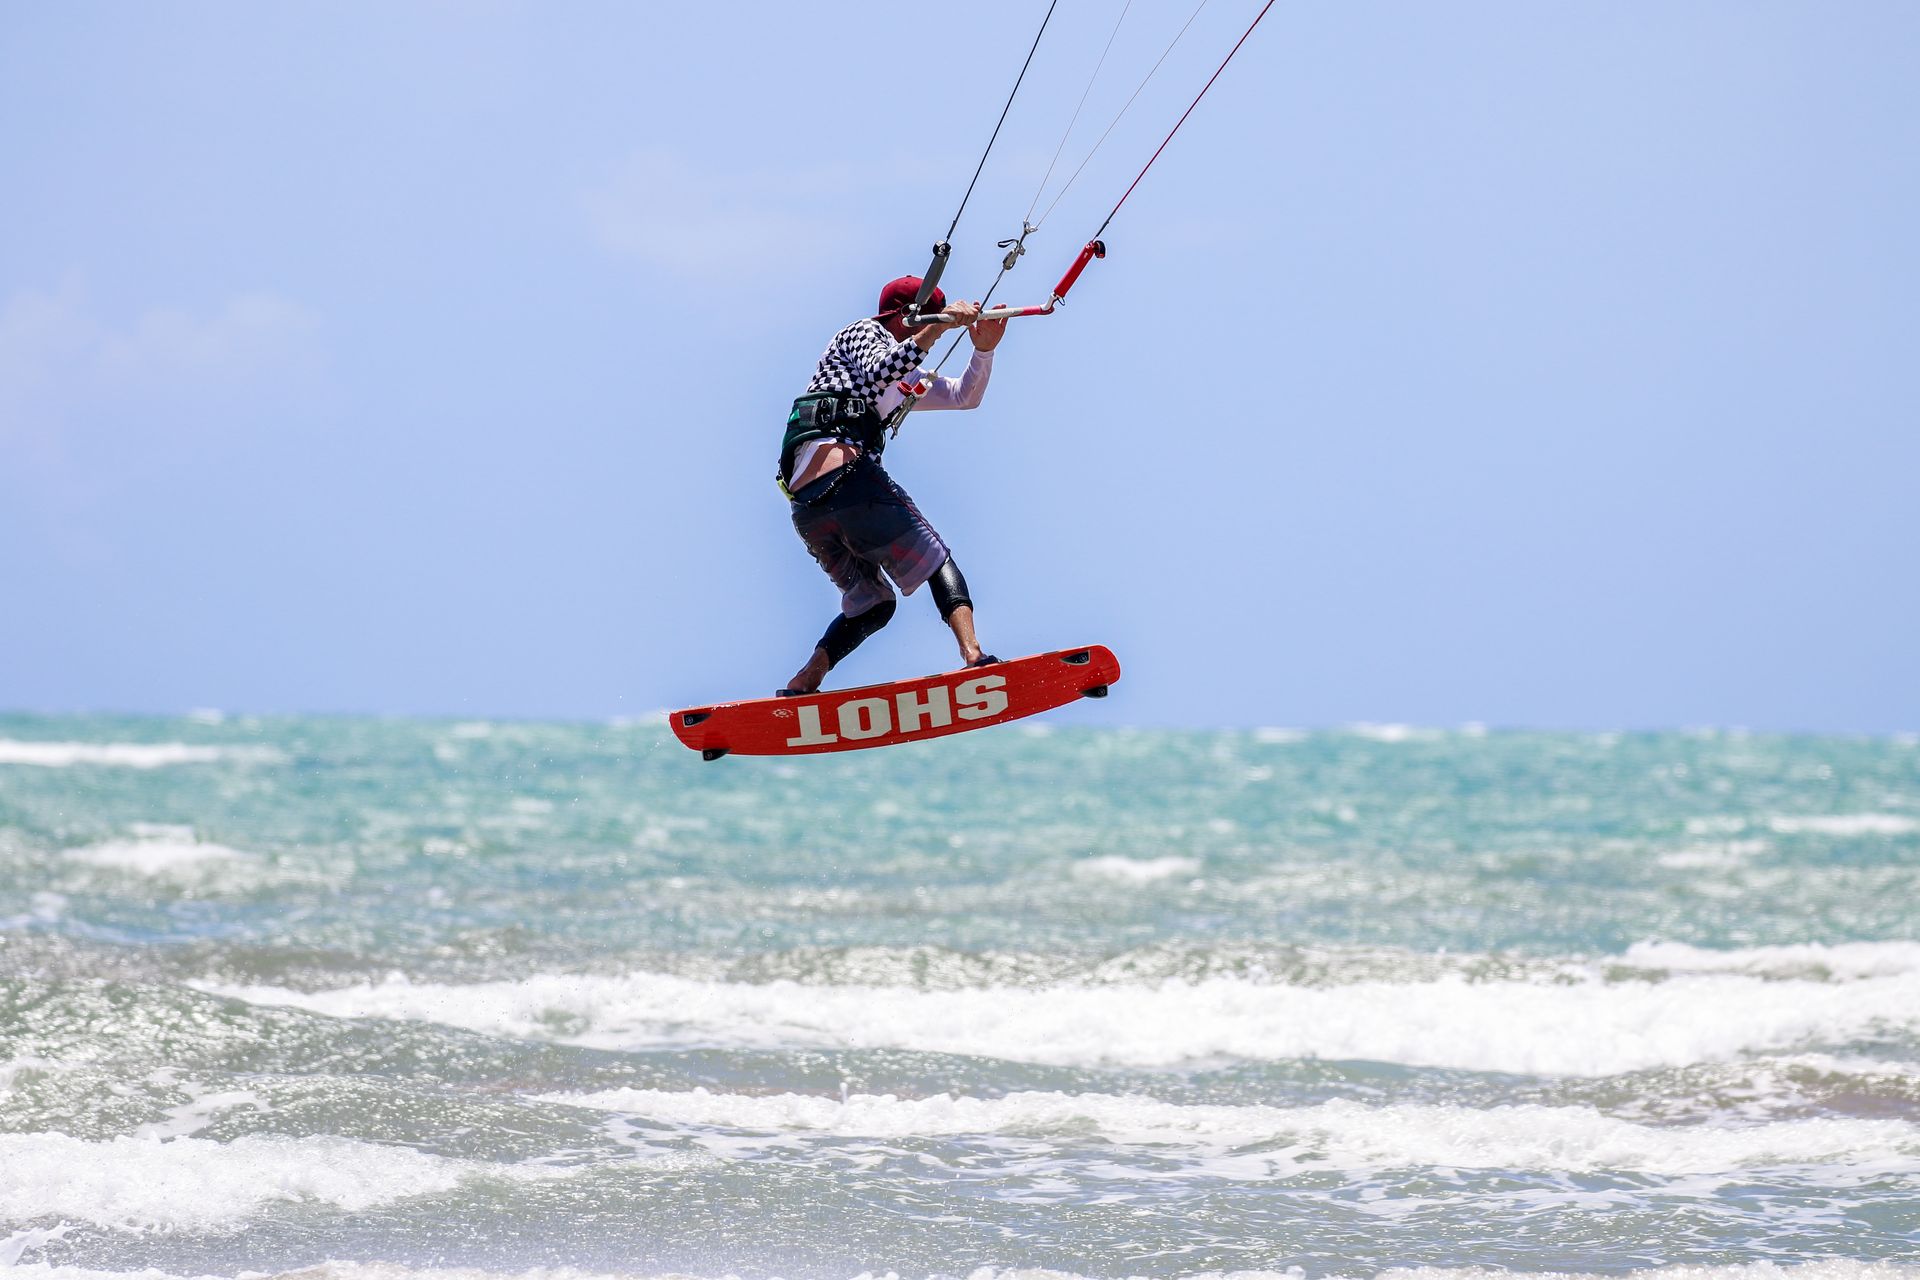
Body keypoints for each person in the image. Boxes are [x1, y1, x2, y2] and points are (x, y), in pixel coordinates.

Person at [777, 275, 1009, 696]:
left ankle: (805, 679)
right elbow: (881, 367)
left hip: (811, 509)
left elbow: (962, 396)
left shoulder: (905, 377)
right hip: (848, 484)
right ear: (908, 316)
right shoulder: (863, 333)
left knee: (873, 604)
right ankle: (974, 655)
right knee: (936, 558)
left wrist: (984, 349)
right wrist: (937, 327)